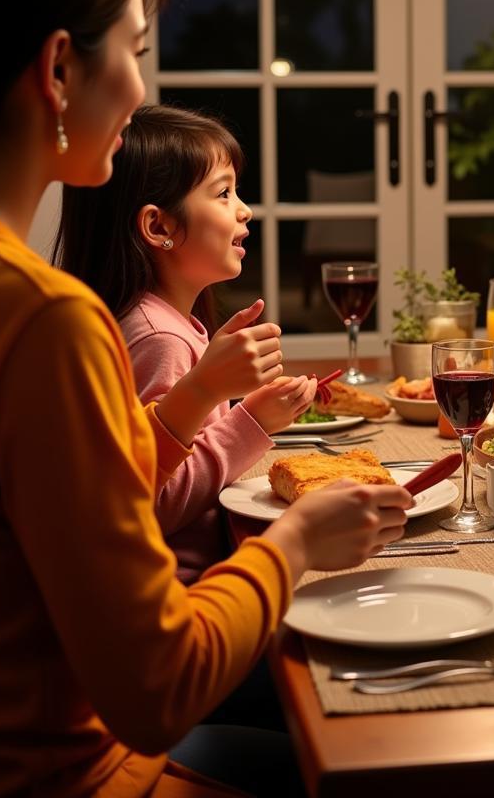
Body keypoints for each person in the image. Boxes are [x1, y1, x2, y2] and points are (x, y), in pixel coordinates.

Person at [0, 0, 411, 796]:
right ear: (58, 71)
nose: (139, 83)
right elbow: (155, 691)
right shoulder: (43, 319)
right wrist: (291, 544)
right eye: (133, 51)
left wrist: (206, 401)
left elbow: (84, 494)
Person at [56, 104, 315, 584]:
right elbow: (156, 504)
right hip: (184, 593)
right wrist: (250, 422)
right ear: (159, 228)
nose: (244, 209)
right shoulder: (160, 338)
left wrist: (241, 400)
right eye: (223, 193)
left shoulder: (163, 323)